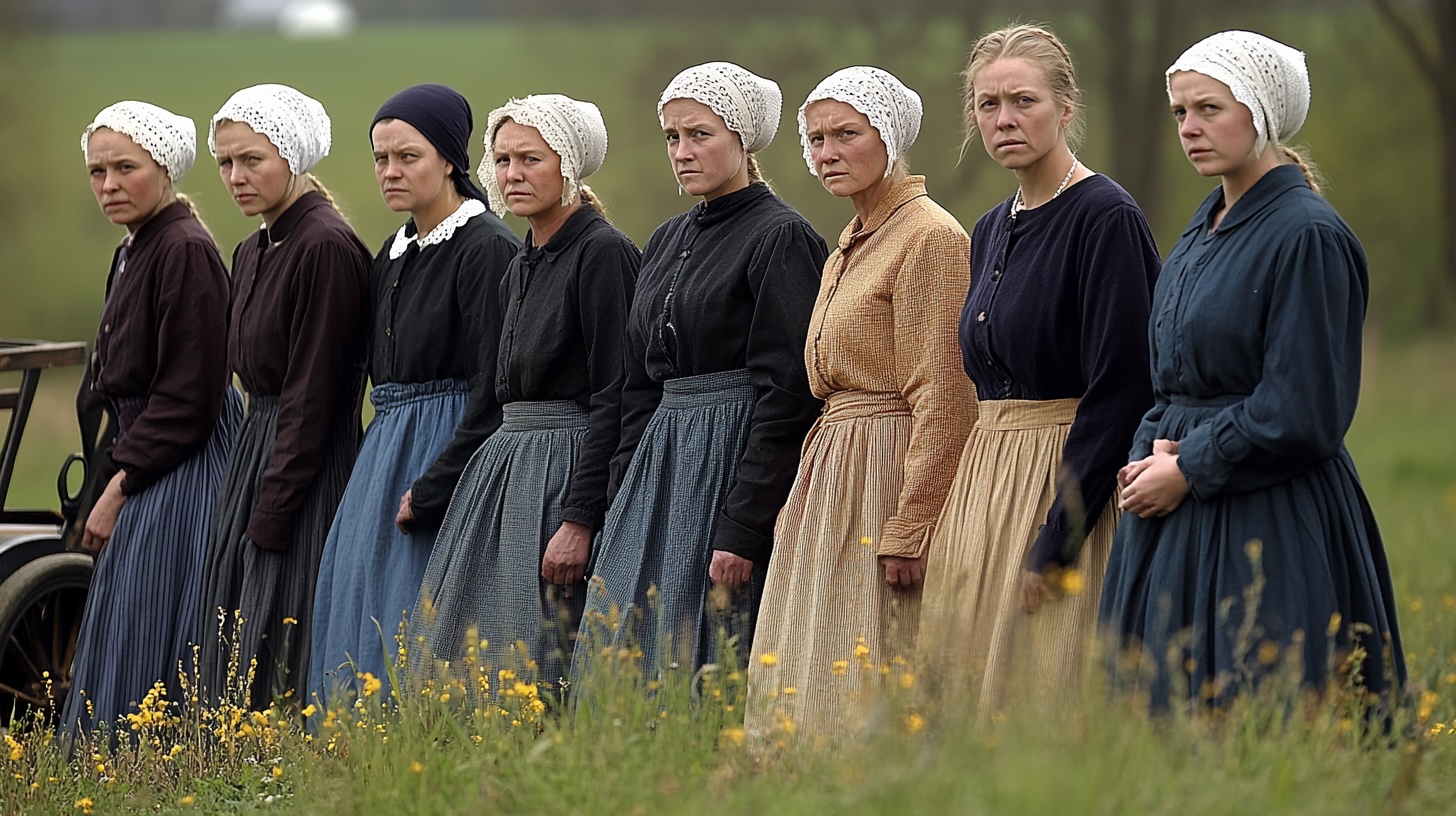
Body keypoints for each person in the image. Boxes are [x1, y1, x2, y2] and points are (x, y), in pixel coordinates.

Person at [1099, 30, 1405, 712]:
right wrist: (1151, 451)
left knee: (1260, 716)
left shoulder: (1307, 235)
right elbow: (1171, 375)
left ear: (1261, 111)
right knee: (1164, 733)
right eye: (1181, 112)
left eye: (1210, 109)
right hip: (1175, 513)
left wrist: (1191, 466)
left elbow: (1305, 410)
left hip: (1267, 514)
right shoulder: (1204, 224)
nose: (1190, 128)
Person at [918, 23, 1161, 714]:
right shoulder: (993, 225)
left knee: (1047, 690)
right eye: (988, 105)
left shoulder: (1105, 217)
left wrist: (1061, 535)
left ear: (1065, 107)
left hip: (1063, 477)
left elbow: (1122, 388)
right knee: (967, 695)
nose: (1005, 119)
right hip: (987, 475)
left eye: (1023, 100)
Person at [575, 62, 828, 684]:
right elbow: (639, 387)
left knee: (711, 645)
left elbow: (787, 393)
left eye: (699, 135)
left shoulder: (781, 236)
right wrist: (617, 498)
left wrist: (744, 523)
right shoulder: (664, 239)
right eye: (671, 137)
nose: (682, 152)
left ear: (742, 139)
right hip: (660, 462)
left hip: (729, 458)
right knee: (626, 647)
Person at [746, 67, 975, 736]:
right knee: (811, 651)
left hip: (884, 463)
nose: (827, 154)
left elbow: (944, 394)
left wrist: (911, 525)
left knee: (869, 648)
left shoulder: (930, 237)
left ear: (890, 136)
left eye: (847, 135)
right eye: (816, 139)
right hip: (832, 465)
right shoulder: (850, 240)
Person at [409, 93, 638, 698]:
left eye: (531, 159)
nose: (513, 174)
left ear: (569, 165)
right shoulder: (522, 263)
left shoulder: (602, 253)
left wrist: (580, 517)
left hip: (564, 471)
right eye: (503, 160)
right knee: (475, 643)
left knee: (545, 650)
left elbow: (616, 394)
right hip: (508, 470)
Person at [307, 84, 520, 709]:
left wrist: (436, 485)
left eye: (408, 156)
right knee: (362, 599)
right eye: (381, 159)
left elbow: (492, 388)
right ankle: (358, 758)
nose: (390, 172)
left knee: (413, 609)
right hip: (388, 445)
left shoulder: (486, 250)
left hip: (446, 450)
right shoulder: (394, 253)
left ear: (449, 159)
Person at [61, 101, 241, 737]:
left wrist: (118, 486)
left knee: (153, 611)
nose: (108, 185)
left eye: (124, 168)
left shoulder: (184, 250)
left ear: (164, 168)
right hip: (148, 448)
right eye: (97, 171)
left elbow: (190, 398)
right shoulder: (136, 247)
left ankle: (158, 763)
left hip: (181, 461)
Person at [197, 84, 372, 709]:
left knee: (283, 609)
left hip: (305, 460)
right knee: (235, 609)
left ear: (293, 157)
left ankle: (288, 774)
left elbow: (315, 396)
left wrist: (273, 508)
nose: (236, 177)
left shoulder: (325, 247)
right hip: (255, 443)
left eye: (252, 160)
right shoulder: (251, 249)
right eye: (225, 162)